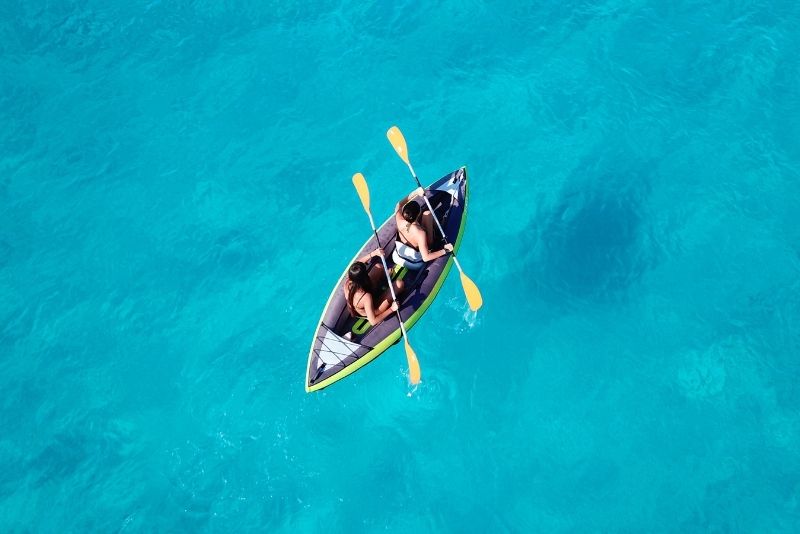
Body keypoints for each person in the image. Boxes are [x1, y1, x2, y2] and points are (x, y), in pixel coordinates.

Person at [393, 187, 453, 269]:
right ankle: (440, 228)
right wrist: (445, 250)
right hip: (416, 261)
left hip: (399, 254)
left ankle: (438, 225)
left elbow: (398, 205)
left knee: (427, 214)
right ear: (418, 214)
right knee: (427, 214)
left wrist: (416, 192)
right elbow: (426, 257)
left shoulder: (400, 220)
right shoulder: (420, 233)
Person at [343, 248, 405, 326]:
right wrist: (392, 309)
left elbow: (357, 264)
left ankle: (385, 279)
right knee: (399, 284)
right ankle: (384, 287)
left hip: (365, 294)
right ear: (364, 278)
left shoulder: (349, 280)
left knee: (378, 267)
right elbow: (373, 322)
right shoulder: (365, 297)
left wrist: (373, 253)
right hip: (373, 310)